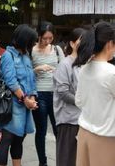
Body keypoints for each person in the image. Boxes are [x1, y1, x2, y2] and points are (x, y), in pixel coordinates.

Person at [73, 22, 115, 166]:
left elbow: (78, 101)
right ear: (109, 44)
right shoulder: (111, 73)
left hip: (84, 133)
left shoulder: (85, 68)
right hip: (105, 137)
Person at [0, 24, 38, 166]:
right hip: (12, 105)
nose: (33, 44)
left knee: (19, 139)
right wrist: (24, 99)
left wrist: (32, 98)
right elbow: (11, 82)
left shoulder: (26, 56)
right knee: (7, 139)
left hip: (25, 105)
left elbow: (31, 80)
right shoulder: (8, 56)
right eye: (31, 41)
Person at [32, 21, 64, 166]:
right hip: (39, 93)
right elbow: (27, 73)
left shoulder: (57, 50)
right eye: (45, 38)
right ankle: (42, 162)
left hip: (56, 94)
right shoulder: (31, 50)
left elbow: (65, 70)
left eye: (50, 38)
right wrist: (37, 69)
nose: (47, 41)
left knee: (59, 130)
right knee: (41, 131)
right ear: (39, 35)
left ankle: (62, 161)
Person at [53, 28, 85, 166]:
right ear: (72, 44)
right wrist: (84, 102)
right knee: (67, 159)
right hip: (68, 120)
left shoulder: (85, 63)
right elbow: (63, 93)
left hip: (82, 119)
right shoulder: (65, 64)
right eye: (81, 41)